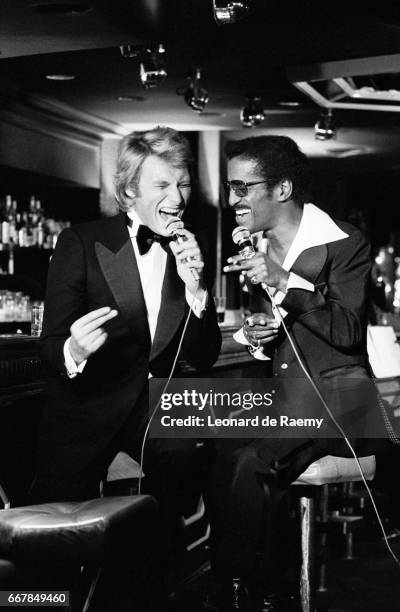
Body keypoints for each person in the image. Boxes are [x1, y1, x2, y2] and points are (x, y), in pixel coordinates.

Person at [29, 126, 221, 609]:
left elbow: (205, 354)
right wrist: (74, 349)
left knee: (178, 463)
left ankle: (145, 588)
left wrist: (197, 289)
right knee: (47, 542)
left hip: (152, 409)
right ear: (131, 189)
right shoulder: (82, 241)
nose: (177, 198)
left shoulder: (188, 251)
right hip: (87, 405)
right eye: (163, 185)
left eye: (182, 184)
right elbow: (50, 347)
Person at [205, 135, 389, 611]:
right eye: (230, 188)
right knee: (212, 445)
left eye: (242, 188)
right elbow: (280, 334)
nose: (232, 201)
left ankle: (242, 591)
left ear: (282, 188)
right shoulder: (254, 245)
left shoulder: (343, 243)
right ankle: (265, 581)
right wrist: (255, 335)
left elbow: (347, 331)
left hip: (341, 400)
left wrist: (286, 282)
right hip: (286, 399)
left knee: (252, 460)